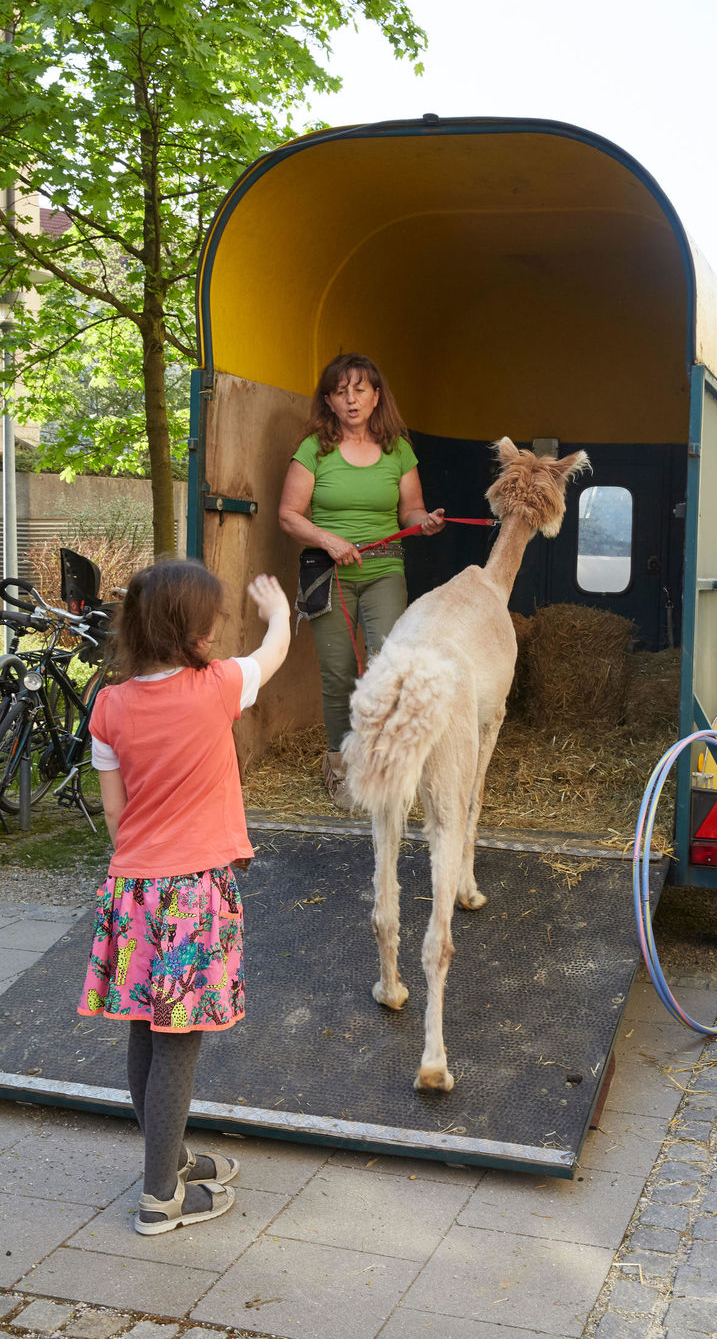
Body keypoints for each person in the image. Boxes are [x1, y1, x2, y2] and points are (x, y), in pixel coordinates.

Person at [77, 559, 291, 1235]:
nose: (217, 626)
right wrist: (280, 610)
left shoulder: (108, 704)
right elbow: (271, 653)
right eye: (210, 617)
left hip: (132, 887)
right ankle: (160, 1194)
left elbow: (114, 814)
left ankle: (167, 1156)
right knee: (179, 1041)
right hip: (193, 891)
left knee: (145, 1025)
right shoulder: (217, 686)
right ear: (187, 628)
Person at [278, 352, 445, 802]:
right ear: (328, 401)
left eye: (359, 389)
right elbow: (289, 515)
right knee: (337, 674)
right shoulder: (314, 449)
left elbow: (409, 510)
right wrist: (329, 540)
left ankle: (387, 767)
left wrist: (423, 520)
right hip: (329, 574)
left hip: (384, 568)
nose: (350, 400)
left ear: (376, 396)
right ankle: (340, 766)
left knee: (387, 671)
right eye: (340, 391)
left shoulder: (398, 450)